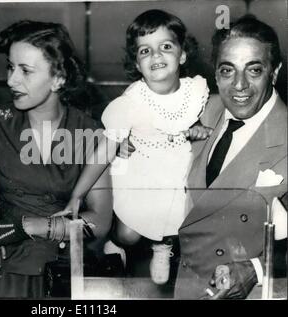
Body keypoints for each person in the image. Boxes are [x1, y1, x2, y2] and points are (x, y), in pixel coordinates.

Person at [57, 9, 212, 285]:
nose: (155, 56)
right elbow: (104, 151)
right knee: (129, 234)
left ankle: (163, 246)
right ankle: (117, 242)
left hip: (178, 174)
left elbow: (196, 121)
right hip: (141, 172)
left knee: (179, 221)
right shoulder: (131, 103)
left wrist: (198, 128)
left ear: (183, 54)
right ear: (137, 64)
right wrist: (77, 196)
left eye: (165, 47)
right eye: (145, 51)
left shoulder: (195, 91)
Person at [0, 20, 113, 298]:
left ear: (58, 79)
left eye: (25, 71)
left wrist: (32, 226)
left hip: (66, 267)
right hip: (6, 262)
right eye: (10, 67)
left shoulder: (88, 131)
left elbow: (99, 222)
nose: (11, 80)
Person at [175, 15, 287, 299]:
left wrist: (256, 269)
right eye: (227, 70)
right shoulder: (200, 111)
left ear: (274, 73)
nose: (239, 85)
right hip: (187, 287)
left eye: (254, 70)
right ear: (215, 73)